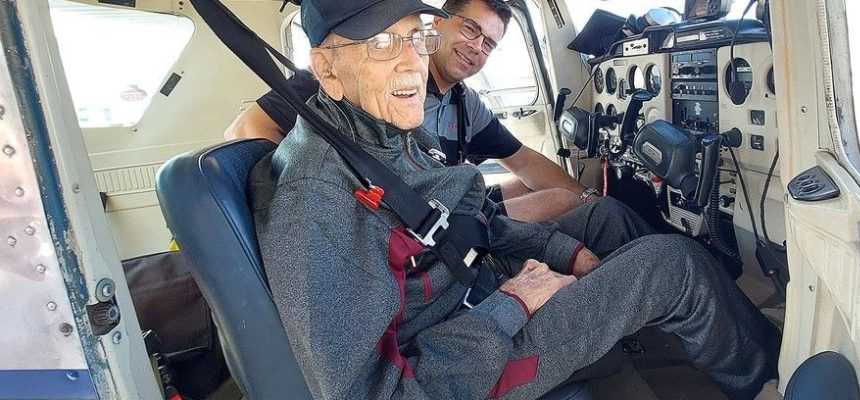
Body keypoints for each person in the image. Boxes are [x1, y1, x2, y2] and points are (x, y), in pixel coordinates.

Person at [249, 1, 780, 399]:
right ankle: (770, 380)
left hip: (467, 290)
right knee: (675, 267)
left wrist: (560, 252)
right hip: (465, 359)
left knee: (611, 221)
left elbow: (462, 224)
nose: (411, 61)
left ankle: (676, 334)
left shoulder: (386, 134)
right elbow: (379, 393)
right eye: (382, 44)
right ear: (326, 70)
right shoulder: (315, 203)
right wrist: (514, 303)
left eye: (415, 37)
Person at [230, 0, 592, 223]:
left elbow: (524, 159)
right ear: (439, 22)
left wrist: (588, 196)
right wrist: (322, 203)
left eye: (489, 44)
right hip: (412, 221)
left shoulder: (465, 103)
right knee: (562, 202)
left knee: (545, 190)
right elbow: (246, 128)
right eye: (470, 28)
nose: (477, 47)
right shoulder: (348, 80)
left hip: (448, 207)